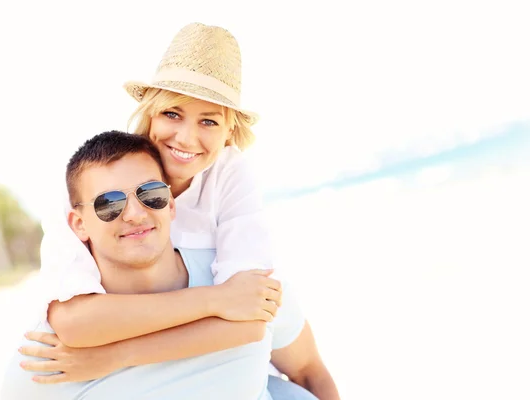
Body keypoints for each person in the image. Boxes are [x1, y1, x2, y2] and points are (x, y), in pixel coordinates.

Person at [31, 22, 340, 397]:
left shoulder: (229, 175)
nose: (186, 138)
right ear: (150, 112)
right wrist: (218, 300)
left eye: (208, 121)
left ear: (229, 131)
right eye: (172, 114)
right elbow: (74, 321)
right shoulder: (96, 180)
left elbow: (251, 320)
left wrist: (117, 355)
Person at [1, 131, 339, 399]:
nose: (134, 213)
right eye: (109, 203)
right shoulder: (48, 357)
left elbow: (309, 371)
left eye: (150, 194)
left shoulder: (241, 285)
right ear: (79, 225)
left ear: (171, 206)